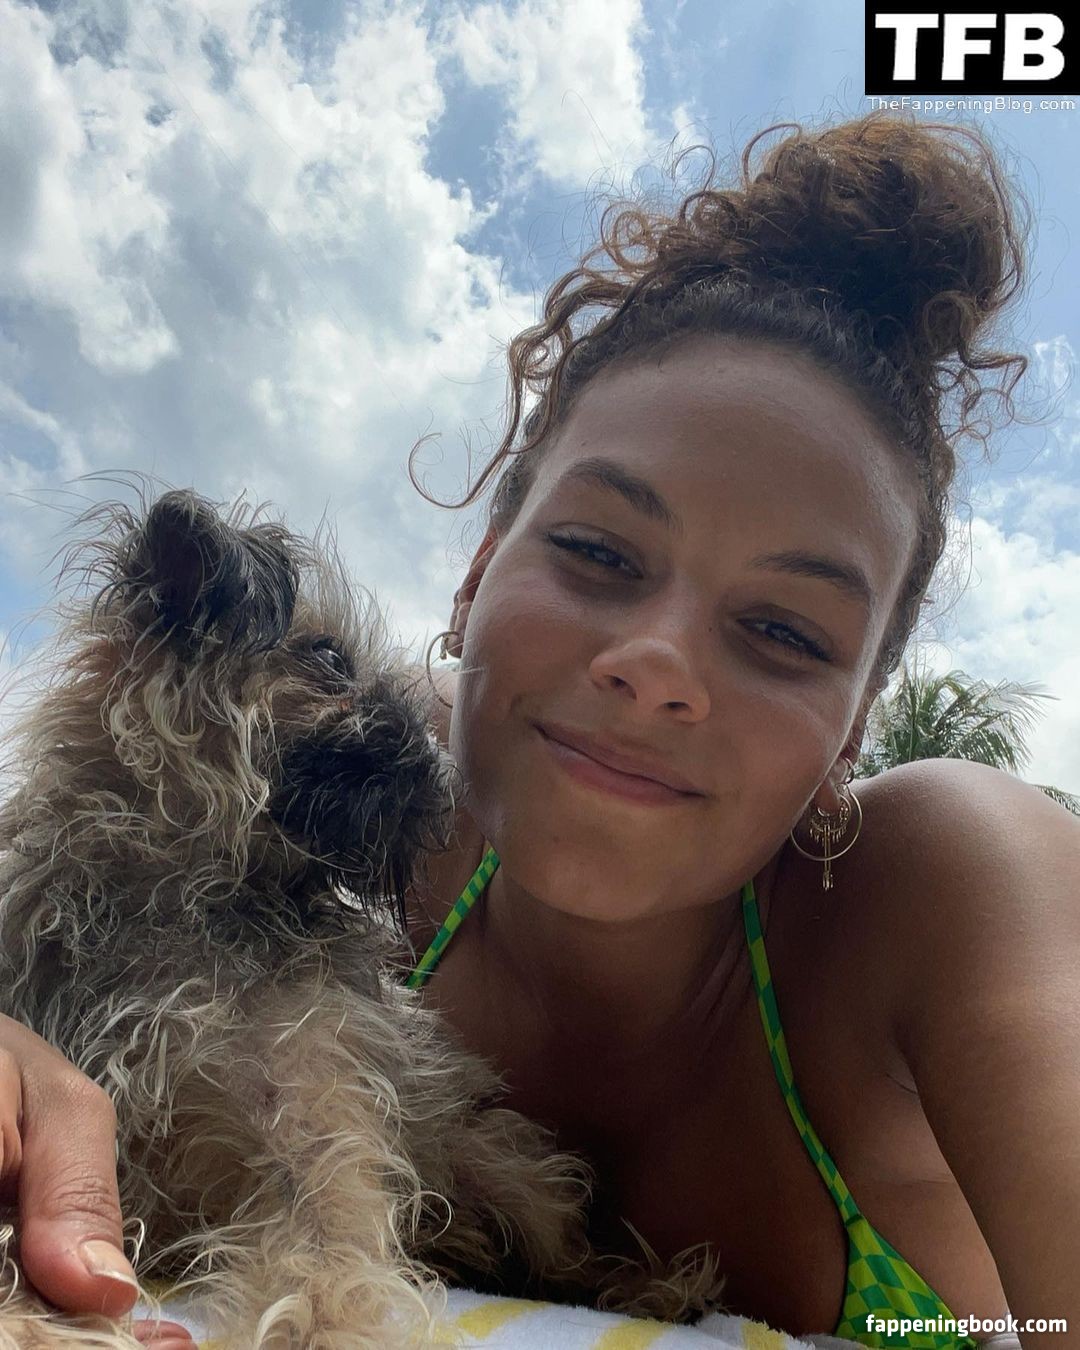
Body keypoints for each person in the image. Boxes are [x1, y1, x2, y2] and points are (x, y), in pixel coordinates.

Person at [0, 112, 1076, 1350]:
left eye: (786, 630)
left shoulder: (943, 881)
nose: (656, 667)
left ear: (851, 734)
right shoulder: (379, 802)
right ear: (474, 581)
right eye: (598, 552)